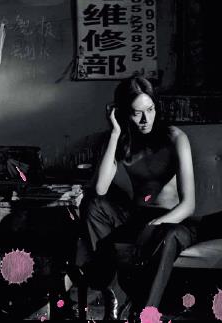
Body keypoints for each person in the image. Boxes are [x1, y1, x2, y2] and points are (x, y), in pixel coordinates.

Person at [77, 75, 198, 320]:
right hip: (137, 217)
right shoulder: (123, 140)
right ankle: (110, 288)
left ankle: (143, 313)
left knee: (165, 235)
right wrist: (114, 133)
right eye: (137, 113)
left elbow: (189, 205)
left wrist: (155, 224)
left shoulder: (175, 138)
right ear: (124, 112)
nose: (146, 119)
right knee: (93, 204)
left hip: (172, 220)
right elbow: (100, 189)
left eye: (150, 110)